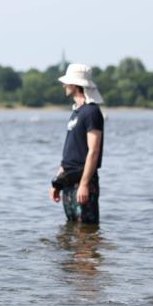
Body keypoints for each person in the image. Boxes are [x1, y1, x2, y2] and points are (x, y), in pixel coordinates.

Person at [49, 63, 104, 224]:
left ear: (75, 84)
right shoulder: (76, 112)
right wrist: (57, 182)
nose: (64, 85)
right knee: (72, 228)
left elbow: (93, 151)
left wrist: (85, 184)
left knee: (86, 233)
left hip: (83, 180)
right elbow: (69, 152)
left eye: (67, 82)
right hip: (68, 180)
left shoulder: (91, 112)